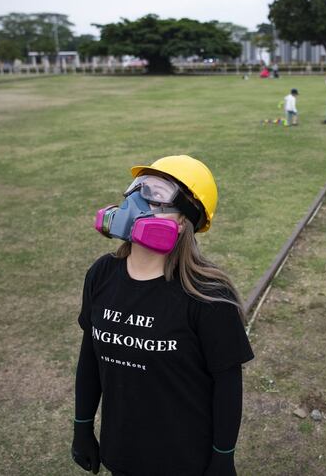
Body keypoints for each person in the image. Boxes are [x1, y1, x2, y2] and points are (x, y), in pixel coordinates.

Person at [72, 155, 254, 476]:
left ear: (184, 221)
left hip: (184, 460)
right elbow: (90, 355)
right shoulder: (101, 275)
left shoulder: (208, 295)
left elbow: (227, 383)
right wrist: (82, 427)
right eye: (138, 188)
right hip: (122, 452)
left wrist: (223, 456)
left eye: (156, 193)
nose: (138, 201)